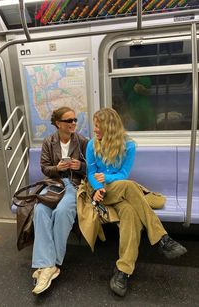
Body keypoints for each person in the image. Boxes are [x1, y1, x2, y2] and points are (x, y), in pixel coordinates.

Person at [77, 107, 187, 297]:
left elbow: (123, 174)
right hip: (99, 190)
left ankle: (123, 271)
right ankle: (162, 238)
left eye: (98, 126)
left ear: (110, 127)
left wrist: (108, 179)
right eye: (94, 126)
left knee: (129, 212)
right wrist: (97, 187)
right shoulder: (91, 145)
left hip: (117, 187)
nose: (94, 130)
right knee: (129, 187)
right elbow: (90, 173)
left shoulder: (128, 146)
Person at [32, 106, 88, 295]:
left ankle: (48, 265)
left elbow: (92, 168)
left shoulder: (82, 141)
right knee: (40, 210)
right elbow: (45, 169)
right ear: (58, 124)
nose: (73, 123)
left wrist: (79, 165)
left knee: (62, 212)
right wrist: (57, 167)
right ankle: (49, 266)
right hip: (53, 184)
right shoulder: (49, 141)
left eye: (74, 120)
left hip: (73, 185)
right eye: (69, 120)